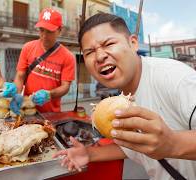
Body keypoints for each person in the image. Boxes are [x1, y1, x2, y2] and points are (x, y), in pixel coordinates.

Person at [53, 13, 196, 179]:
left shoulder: (176, 78)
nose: (99, 57)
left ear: (133, 43)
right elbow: (132, 146)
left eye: (109, 43)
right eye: (90, 52)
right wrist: (89, 154)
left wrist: (173, 144)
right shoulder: (122, 99)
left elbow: (166, 144)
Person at [10, 8, 75, 114]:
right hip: (27, 110)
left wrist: (49, 94)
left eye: (49, 31)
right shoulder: (28, 47)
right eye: (41, 30)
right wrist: (16, 94)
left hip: (52, 113)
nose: (44, 36)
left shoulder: (68, 56)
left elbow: (65, 87)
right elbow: (20, 75)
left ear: (59, 30)